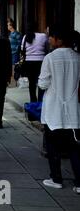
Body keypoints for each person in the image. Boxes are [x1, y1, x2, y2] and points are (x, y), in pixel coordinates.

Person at [38, 28, 80, 195]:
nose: (49, 40)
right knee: (75, 148)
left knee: (53, 146)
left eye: (52, 37)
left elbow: (42, 84)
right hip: (74, 111)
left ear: (59, 40)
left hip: (54, 110)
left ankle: (56, 179)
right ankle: (78, 182)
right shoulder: (78, 58)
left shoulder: (50, 58)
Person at [21, 27, 48, 102]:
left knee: (32, 84)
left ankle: (33, 101)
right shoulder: (43, 36)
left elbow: (22, 49)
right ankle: (40, 101)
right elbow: (47, 47)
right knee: (41, 81)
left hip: (29, 62)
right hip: (41, 61)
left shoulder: (25, 36)